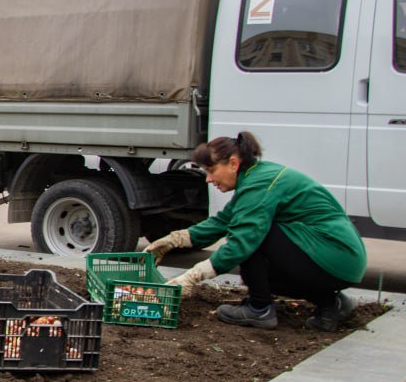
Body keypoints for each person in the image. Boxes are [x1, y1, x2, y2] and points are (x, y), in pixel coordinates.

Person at [148, 132, 366, 332]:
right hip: (342, 259)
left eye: (211, 170)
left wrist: (191, 277)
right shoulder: (256, 178)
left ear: (233, 163)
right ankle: (332, 304)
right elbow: (223, 221)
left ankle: (259, 308)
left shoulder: (258, 185)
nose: (208, 179)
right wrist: (174, 240)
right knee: (265, 276)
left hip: (334, 252)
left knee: (252, 239)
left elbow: (242, 242)